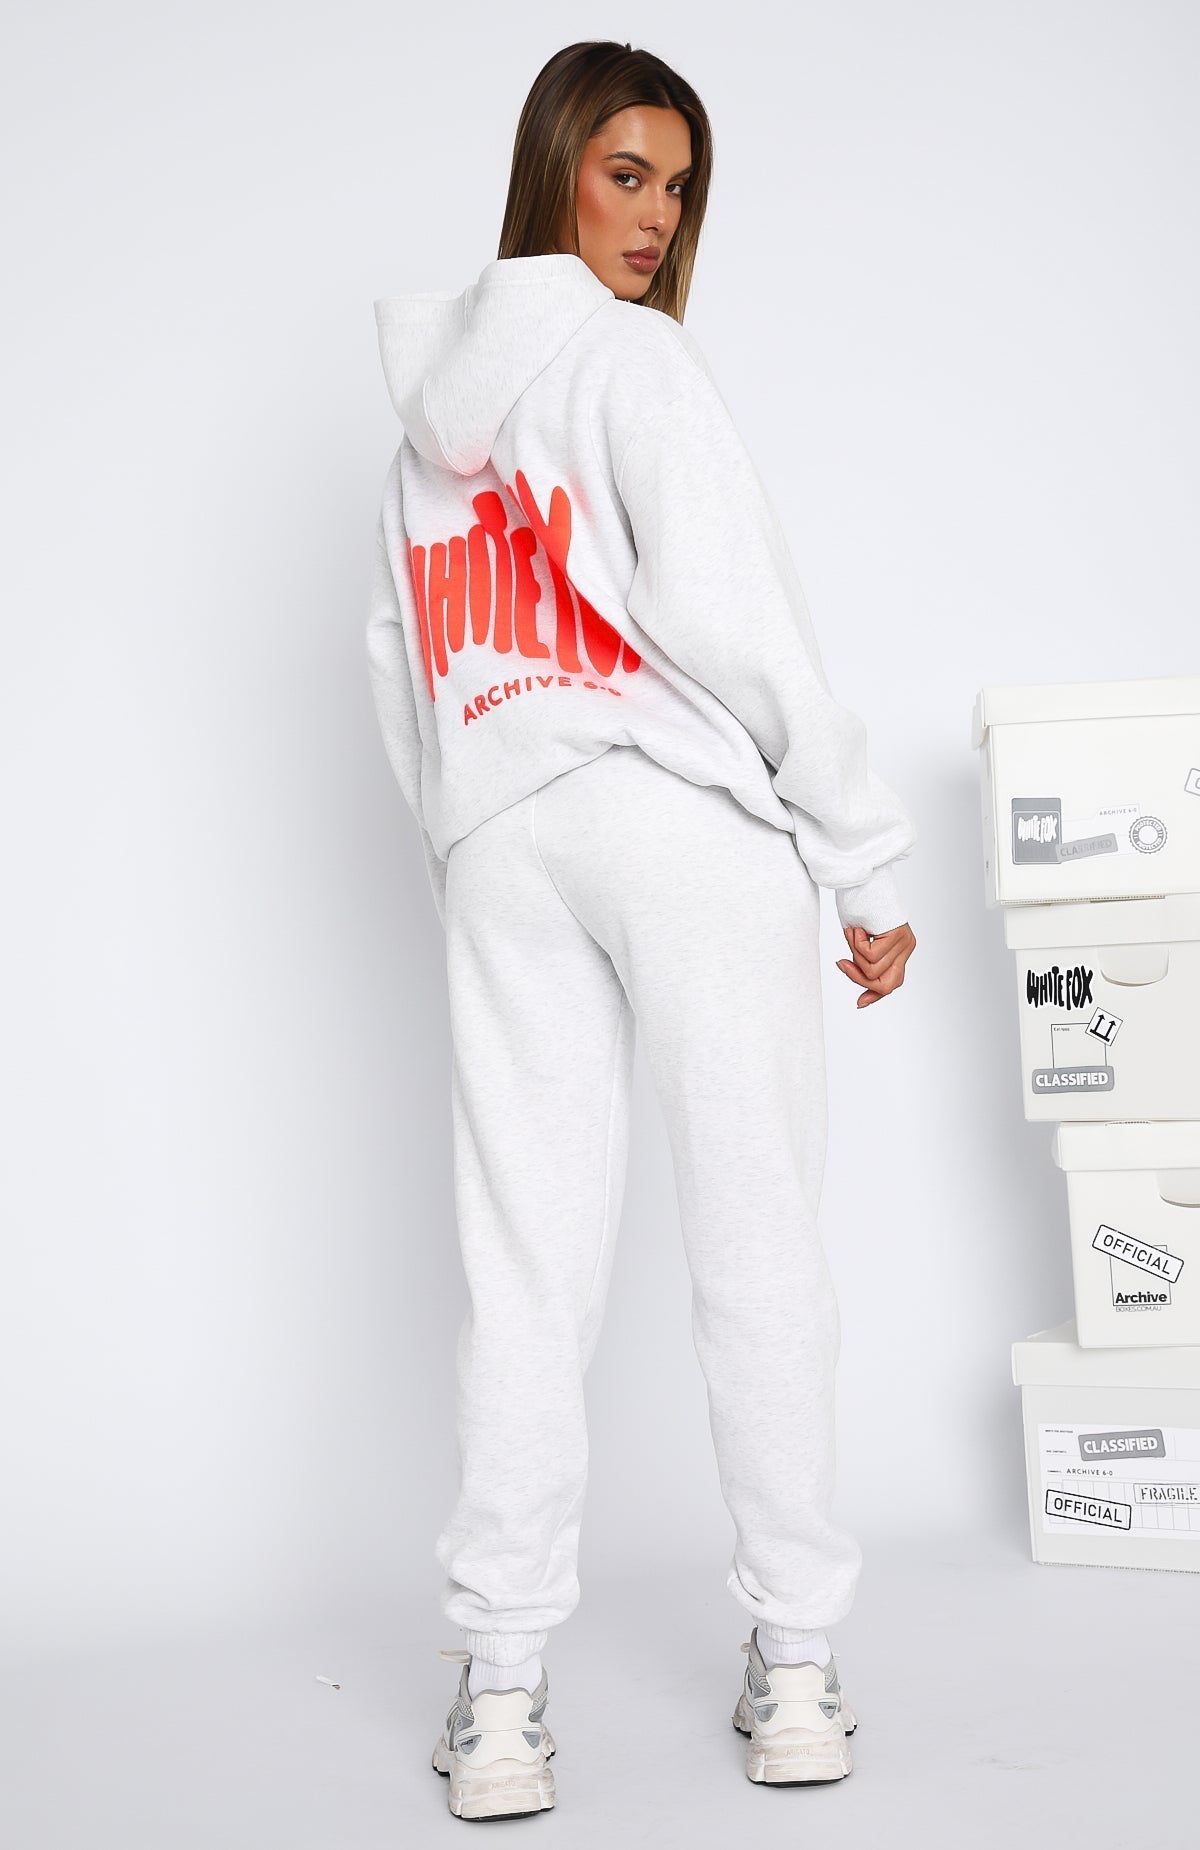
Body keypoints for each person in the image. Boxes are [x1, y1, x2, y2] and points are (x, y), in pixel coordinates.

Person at [366, 39, 918, 1821]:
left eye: (676, 187)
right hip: (680, 824)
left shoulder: (420, 439)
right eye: (627, 174)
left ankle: (500, 1695)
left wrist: (469, 832)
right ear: (553, 169)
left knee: (523, 1265)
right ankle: (800, 1667)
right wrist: (863, 860)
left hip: (506, 841)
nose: (657, 217)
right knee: (757, 1241)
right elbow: (745, 622)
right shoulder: (632, 362)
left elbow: (400, 669)